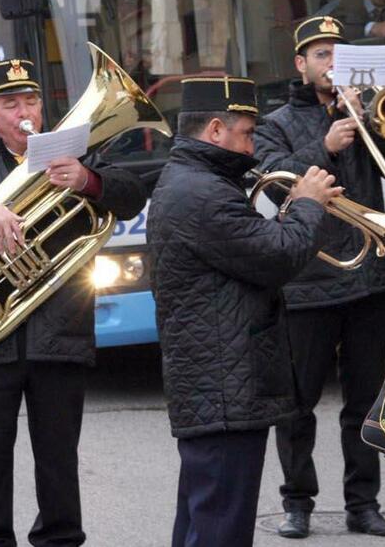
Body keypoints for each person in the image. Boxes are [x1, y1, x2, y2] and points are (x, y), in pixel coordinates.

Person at [0, 58, 147, 547]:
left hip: (60, 334)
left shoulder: (78, 155)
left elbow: (131, 196)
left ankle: (60, 541)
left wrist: (87, 181)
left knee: (59, 460)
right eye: (10, 104)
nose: (25, 113)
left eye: (32, 102)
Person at [147, 76, 340, 547]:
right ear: (216, 130)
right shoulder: (203, 193)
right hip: (225, 390)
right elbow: (278, 254)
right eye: (248, 133)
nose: (253, 145)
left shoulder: (196, 183)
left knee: (201, 522)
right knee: (220, 529)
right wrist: (308, 206)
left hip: (218, 386)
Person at [254, 15, 385, 539]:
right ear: (300, 65)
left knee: (365, 401)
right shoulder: (275, 123)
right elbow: (273, 184)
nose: (329, 63)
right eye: (319, 55)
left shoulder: (366, 112)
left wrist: (372, 125)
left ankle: (363, 502)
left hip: (366, 277)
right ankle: (297, 500)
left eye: (335, 54)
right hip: (307, 281)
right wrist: (326, 146)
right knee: (296, 403)